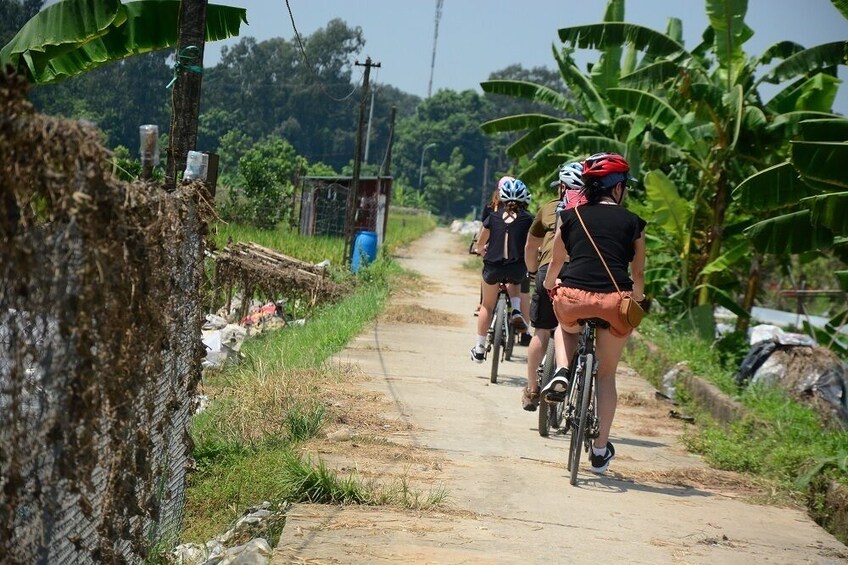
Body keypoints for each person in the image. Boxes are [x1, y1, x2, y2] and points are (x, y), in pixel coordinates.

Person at [542, 153, 647, 474]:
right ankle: (600, 451)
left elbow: (556, 263)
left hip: (574, 296)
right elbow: (639, 277)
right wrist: (637, 298)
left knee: (564, 327)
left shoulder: (571, 216)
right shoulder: (634, 223)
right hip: (614, 303)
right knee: (606, 375)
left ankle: (562, 370)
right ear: (617, 189)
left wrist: (552, 286)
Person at [520, 162, 586, 411]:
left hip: (548, 270)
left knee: (541, 331)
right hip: (580, 274)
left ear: (561, 187)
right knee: (570, 328)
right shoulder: (591, 212)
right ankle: (569, 370)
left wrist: (533, 271)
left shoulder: (548, 209)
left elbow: (530, 246)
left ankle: (532, 390)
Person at [471, 178, 533, 362]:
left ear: (503, 198)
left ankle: (480, 349)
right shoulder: (528, 219)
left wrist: (481, 251)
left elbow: (481, 243)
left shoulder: (493, 217)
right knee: (514, 279)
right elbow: (531, 246)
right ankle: (516, 310)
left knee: (486, 307)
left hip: (493, 268)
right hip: (517, 268)